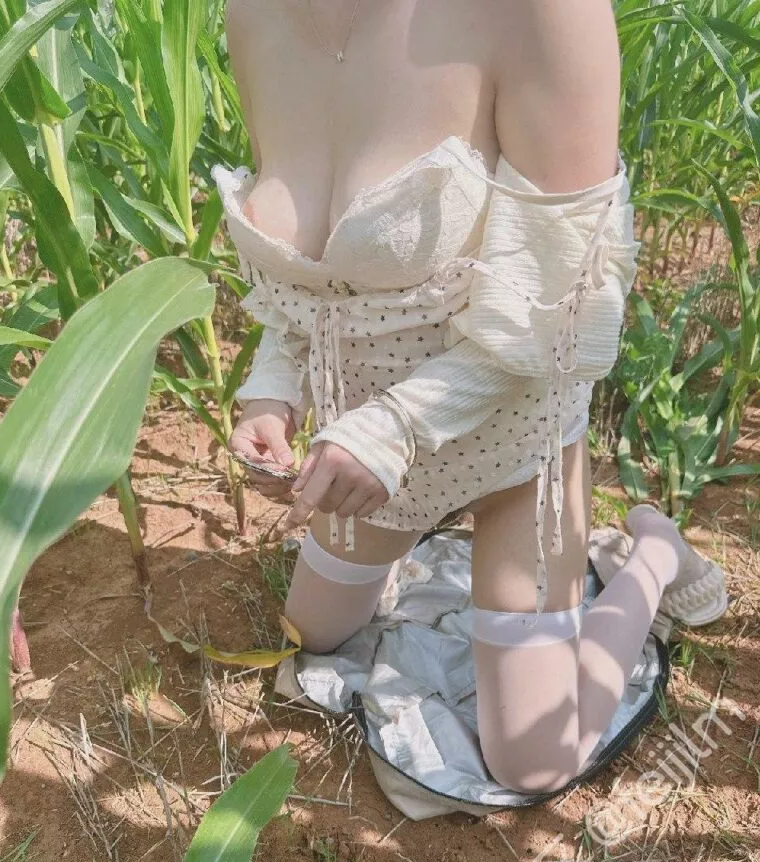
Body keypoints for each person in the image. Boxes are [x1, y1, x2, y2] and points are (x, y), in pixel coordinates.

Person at [216, 0, 728, 795]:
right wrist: (273, 389)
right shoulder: (254, 14)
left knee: (532, 758)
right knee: (310, 634)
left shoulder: (538, 11)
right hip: (372, 463)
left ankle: (654, 552)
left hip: (513, 444)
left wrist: (393, 428)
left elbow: (566, 301)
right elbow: (307, 277)